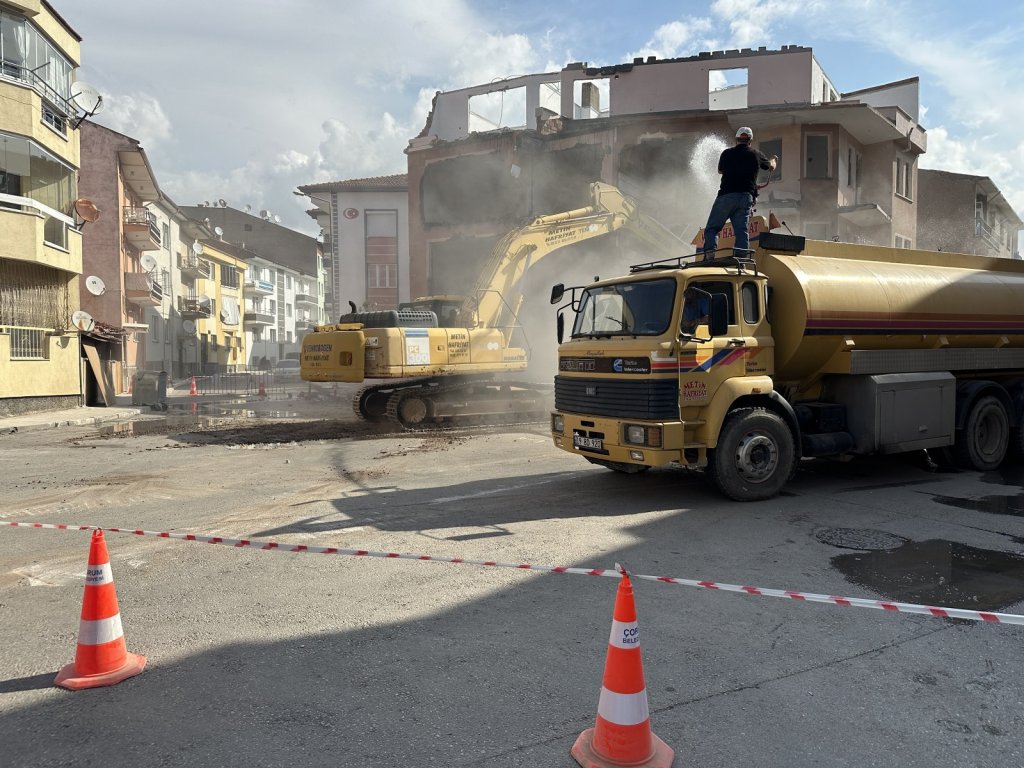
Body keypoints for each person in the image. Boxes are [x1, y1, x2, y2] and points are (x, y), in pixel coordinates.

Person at [701, 127, 777, 259]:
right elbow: (770, 166)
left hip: (726, 196)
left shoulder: (726, 153)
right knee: (741, 231)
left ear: (736, 139)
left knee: (712, 228)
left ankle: (709, 255)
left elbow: (720, 171)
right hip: (745, 197)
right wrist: (774, 160)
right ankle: (741, 258)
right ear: (750, 140)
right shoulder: (756, 154)